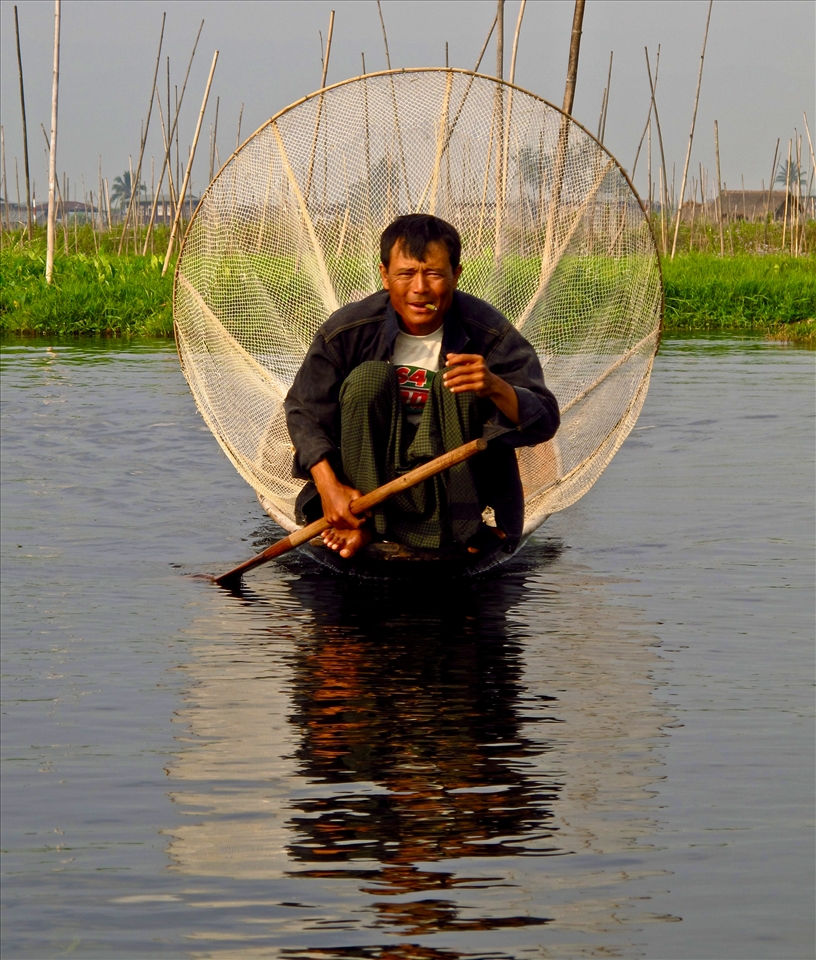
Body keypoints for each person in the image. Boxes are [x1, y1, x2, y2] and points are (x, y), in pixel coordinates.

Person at [284, 214, 559, 559]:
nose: (420, 289)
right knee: (369, 379)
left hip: (453, 488)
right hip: (367, 481)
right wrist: (329, 487)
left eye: (433, 274)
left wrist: (494, 386)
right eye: (406, 274)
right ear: (384, 276)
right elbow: (303, 413)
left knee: (453, 385)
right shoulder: (347, 331)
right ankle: (364, 523)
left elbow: (545, 420)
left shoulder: (489, 334)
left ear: (456, 276)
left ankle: (430, 529)